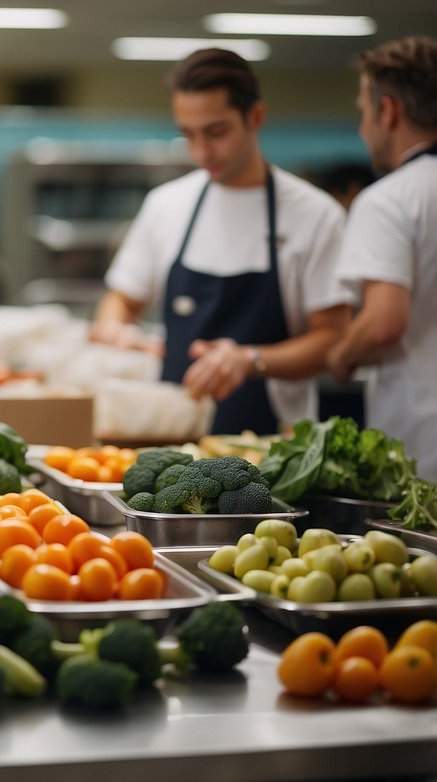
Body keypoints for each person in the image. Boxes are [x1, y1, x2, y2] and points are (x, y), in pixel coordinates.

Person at [91, 49, 353, 435]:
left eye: (216, 132)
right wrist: (115, 329)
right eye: (189, 134)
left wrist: (249, 359)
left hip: (275, 442)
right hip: (173, 436)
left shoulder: (314, 215)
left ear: (256, 117)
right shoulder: (167, 205)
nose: (201, 151)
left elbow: (332, 339)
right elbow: (121, 300)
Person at [328, 36, 437, 479]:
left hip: (423, 443)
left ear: (388, 111)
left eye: (362, 111)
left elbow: (384, 321)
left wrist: (341, 354)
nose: (361, 128)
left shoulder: (390, 199)